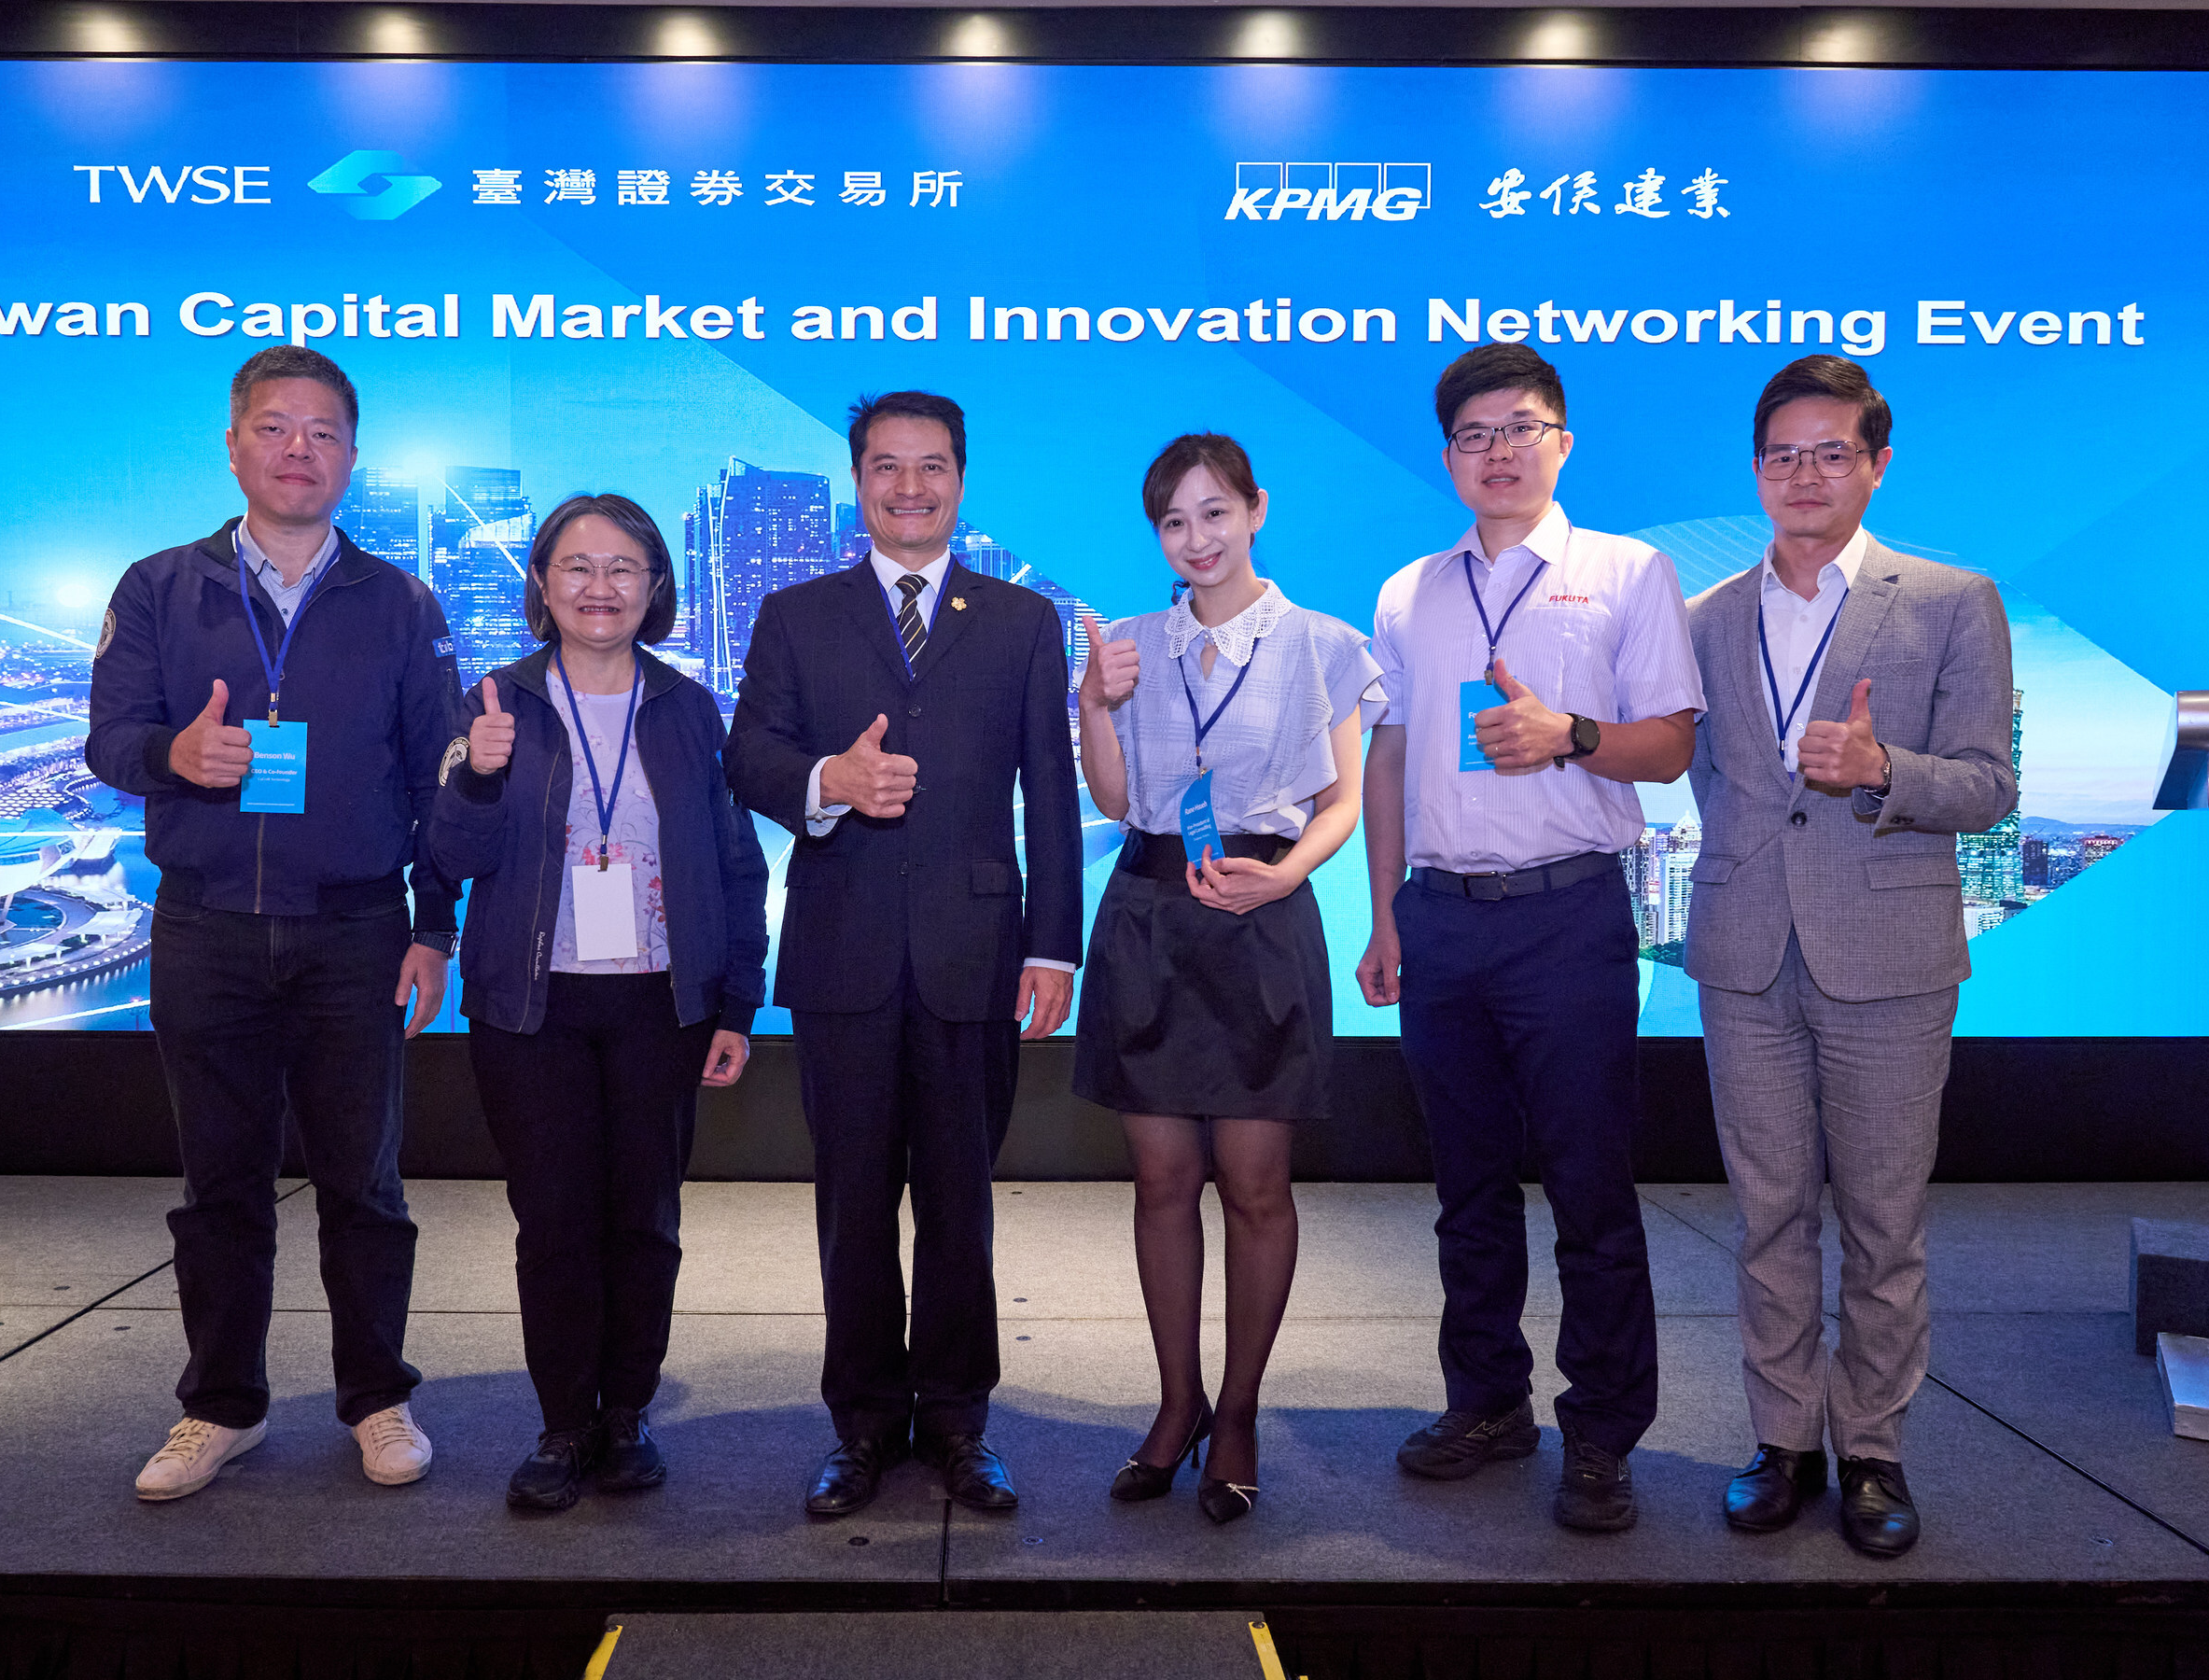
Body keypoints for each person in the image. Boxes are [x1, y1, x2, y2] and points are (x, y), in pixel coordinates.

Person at [87, 346, 460, 1502]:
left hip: (358, 928)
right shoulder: (159, 587)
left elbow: (437, 778)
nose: (300, 450)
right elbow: (109, 740)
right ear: (234, 444)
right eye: (276, 428)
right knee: (221, 1186)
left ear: (352, 457)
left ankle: (378, 1396)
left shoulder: (400, 603)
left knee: (366, 1185)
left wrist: (435, 927)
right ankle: (221, 1406)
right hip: (206, 926)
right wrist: (174, 754)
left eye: (324, 433)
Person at [1356, 343, 1704, 1533]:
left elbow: (1672, 746)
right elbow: (1391, 754)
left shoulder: (1627, 571)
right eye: (1473, 435)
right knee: (1466, 1191)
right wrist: (1384, 910)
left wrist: (1572, 735)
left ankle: (1601, 1434)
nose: (1496, 452)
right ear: (1448, 456)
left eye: (1520, 428)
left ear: (1563, 442)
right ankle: (1487, 1403)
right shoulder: (1409, 591)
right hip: (1442, 917)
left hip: (1567, 916)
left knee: (1589, 1188)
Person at [724, 390, 1084, 1518]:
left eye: (932, 466)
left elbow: (1051, 792)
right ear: (859, 480)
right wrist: (828, 780)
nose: (910, 486)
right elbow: (749, 757)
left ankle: (962, 1422)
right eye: (887, 465)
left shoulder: (1022, 620)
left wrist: (1054, 947)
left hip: (977, 954)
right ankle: (866, 1422)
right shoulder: (796, 613)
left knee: (961, 1203)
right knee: (853, 1201)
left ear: (961, 481)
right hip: (843, 951)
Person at [1684, 356, 2015, 1559]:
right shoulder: (1707, 616)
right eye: (1783, 455)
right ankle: (1782, 1440)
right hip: (1744, 951)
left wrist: (1882, 771)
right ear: (1755, 471)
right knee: (1769, 1214)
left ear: (1876, 465)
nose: (1805, 474)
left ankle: (1872, 1449)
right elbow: (1713, 781)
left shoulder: (1951, 600)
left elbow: (1989, 786)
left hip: (1888, 953)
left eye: (1833, 453)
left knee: (1882, 1219)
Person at [427, 493, 769, 1513]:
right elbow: (446, 857)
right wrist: (477, 779)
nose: (600, 587)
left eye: (623, 568)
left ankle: (627, 1415)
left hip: (662, 1002)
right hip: (531, 1007)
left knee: (646, 1220)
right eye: (577, 566)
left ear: (654, 586)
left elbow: (734, 860)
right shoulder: (497, 701)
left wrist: (738, 1001)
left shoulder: (687, 707)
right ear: (542, 583)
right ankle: (563, 1424)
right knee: (555, 1221)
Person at [1071, 433, 1379, 1525]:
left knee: (1254, 1184)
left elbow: (1344, 798)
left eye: (1214, 513)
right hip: (1150, 919)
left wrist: (1288, 874)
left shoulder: (1324, 643)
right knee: (1161, 1180)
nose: (1195, 539)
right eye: (1173, 521)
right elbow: (1116, 803)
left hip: (1261, 918)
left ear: (1256, 510)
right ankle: (1177, 1405)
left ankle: (1238, 1412)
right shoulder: (1128, 643)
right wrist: (1093, 705)